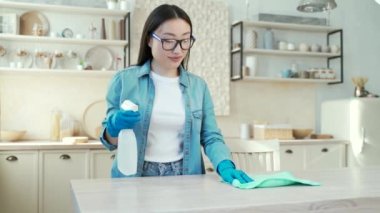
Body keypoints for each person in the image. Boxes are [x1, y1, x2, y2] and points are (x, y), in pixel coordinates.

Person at [100, 4, 253, 185]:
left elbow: (211, 136)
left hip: (186, 175)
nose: (178, 50)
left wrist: (225, 165)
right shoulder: (124, 80)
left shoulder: (198, 87)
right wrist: (113, 126)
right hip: (136, 176)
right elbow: (109, 141)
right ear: (149, 39)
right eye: (168, 40)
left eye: (185, 40)